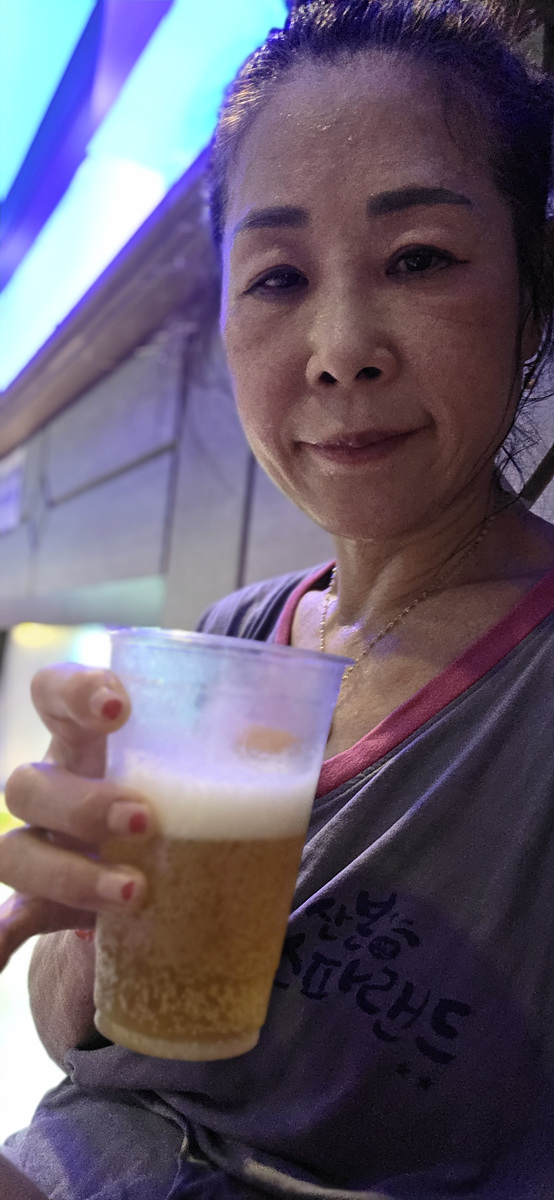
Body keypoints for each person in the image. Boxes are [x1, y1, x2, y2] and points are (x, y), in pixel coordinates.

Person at [1, 0, 554, 1196]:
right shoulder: (231, 639)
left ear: (532, 292)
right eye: (276, 277)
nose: (339, 346)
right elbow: (88, 1047)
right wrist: (87, 907)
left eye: (418, 258)